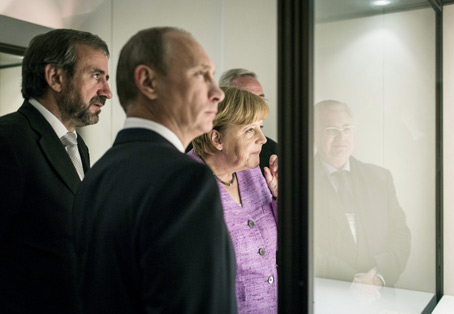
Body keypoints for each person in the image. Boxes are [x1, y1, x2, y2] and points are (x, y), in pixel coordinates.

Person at [73, 27, 237, 314]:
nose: (218, 93)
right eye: (201, 74)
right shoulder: (185, 180)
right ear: (148, 81)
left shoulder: (97, 176)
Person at [0, 29, 111, 313]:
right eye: (96, 76)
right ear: (55, 78)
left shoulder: (77, 146)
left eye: (106, 78)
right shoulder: (8, 139)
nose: (106, 92)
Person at [189, 86, 278, 314]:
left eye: (261, 127)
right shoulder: (187, 186)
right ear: (217, 138)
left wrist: (279, 195)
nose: (263, 139)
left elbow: (281, 239)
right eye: (250, 130)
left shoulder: (250, 170)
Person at [314, 100, 411, 289]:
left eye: (347, 129)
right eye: (332, 130)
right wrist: (354, 281)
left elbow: (400, 235)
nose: (341, 138)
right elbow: (304, 247)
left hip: (379, 296)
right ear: (315, 135)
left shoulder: (380, 178)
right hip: (326, 295)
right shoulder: (299, 182)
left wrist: (378, 277)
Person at [219, 68, 278, 174]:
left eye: (261, 99)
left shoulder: (274, 151)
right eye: (249, 99)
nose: (259, 105)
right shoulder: (194, 152)